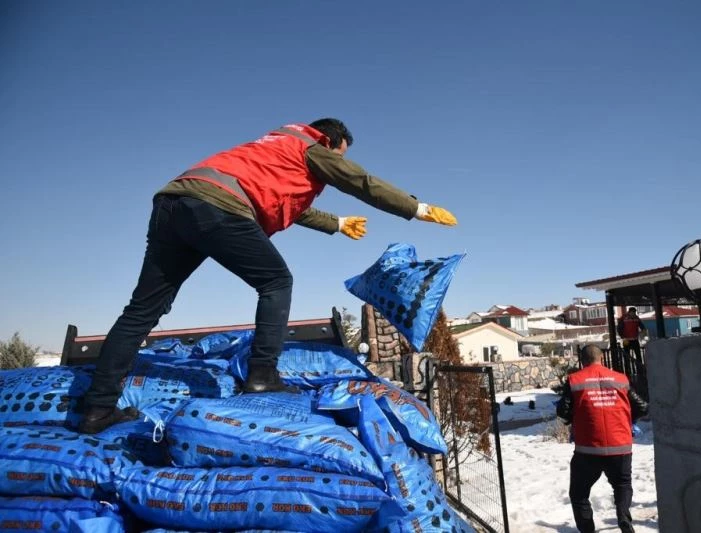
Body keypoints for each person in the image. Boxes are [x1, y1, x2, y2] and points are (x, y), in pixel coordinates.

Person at [78, 119, 457, 434]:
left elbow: (282, 203)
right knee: (277, 282)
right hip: (217, 207)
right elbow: (360, 181)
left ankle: (97, 409)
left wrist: (337, 223)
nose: (335, 161)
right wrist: (416, 207)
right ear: (330, 141)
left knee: (142, 309)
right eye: (338, 153)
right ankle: (262, 375)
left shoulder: (273, 149)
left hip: (173, 202)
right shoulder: (312, 146)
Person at [556, 344, 648, 533]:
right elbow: (642, 407)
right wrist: (625, 419)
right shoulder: (620, 379)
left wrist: (575, 418)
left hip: (588, 449)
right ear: (602, 359)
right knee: (622, 485)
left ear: (582, 361)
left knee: (579, 494)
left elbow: (563, 412)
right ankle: (623, 518)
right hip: (620, 446)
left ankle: (587, 530)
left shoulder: (574, 380)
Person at [616, 307, 647, 373]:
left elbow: (642, 327)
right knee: (627, 356)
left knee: (638, 356)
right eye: (632, 312)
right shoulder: (624, 318)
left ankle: (640, 370)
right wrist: (622, 337)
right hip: (626, 340)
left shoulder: (637, 318)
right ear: (629, 312)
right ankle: (628, 371)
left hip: (635, 339)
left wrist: (643, 332)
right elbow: (619, 328)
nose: (633, 314)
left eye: (634, 312)